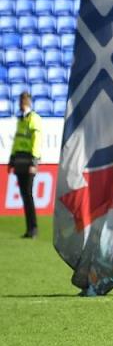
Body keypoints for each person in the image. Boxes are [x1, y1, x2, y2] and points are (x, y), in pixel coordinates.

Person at [8, 91, 42, 239]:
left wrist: (34, 161)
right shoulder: (21, 119)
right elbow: (17, 141)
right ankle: (29, 229)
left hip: (28, 161)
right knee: (24, 195)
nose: (19, 104)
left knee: (28, 195)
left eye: (21, 101)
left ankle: (33, 228)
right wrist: (12, 159)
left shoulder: (33, 119)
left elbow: (36, 141)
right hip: (20, 161)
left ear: (26, 102)